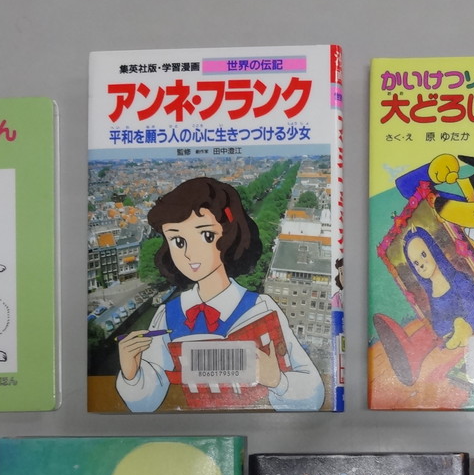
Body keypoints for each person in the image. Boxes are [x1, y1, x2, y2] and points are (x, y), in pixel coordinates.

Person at [116, 177, 322, 412]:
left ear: (230, 235)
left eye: (206, 236)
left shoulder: (262, 308)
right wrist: (132, 374)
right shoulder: (167, 316)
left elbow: (314, 392)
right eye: (178, 241)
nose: (190, 253)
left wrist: (278, 381)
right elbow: (147, 401)